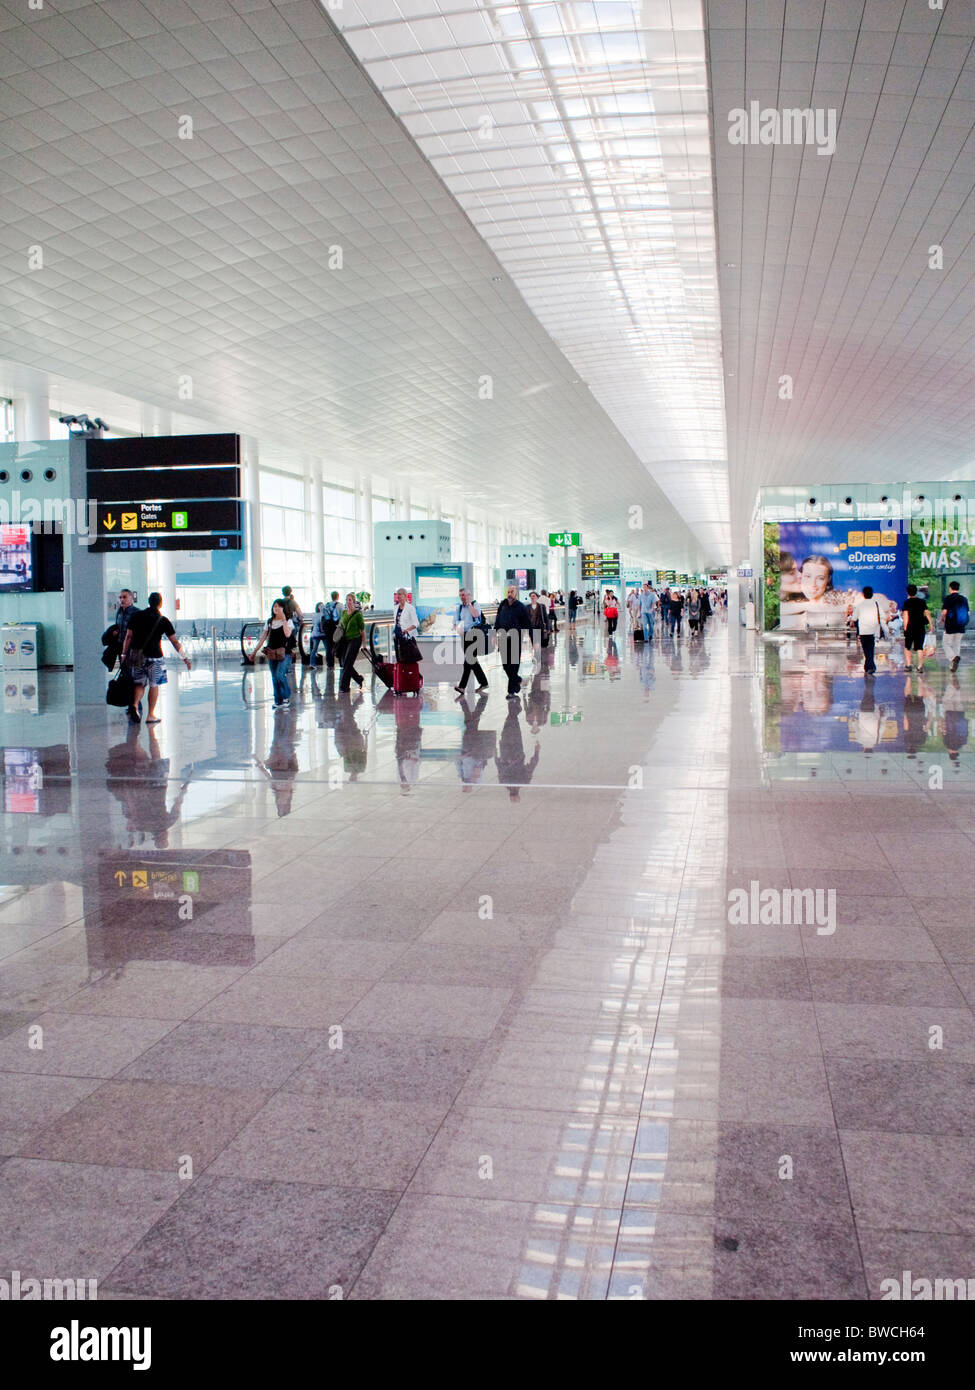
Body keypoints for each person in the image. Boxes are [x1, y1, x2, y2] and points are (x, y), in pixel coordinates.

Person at [121, 592, 191, 725]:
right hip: (155, 656)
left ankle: (135, 705)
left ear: (148, 602)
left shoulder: (136, 616)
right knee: (154, 684)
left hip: (137, 655)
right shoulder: (163, 620)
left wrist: (124, 654)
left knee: (139, 683)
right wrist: (185, 657)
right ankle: (150, 715)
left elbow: (128, 636)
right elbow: (174, 642)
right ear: (160, 603)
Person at [252, 599, 294, 708]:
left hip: (285, 653)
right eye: (274, 606)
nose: (276, 608)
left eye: (279, 606)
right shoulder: (269, 622)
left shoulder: (288, 621)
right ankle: (278, 700)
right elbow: (263, 637)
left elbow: (287, 634)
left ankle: (286, 697)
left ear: (284, 608)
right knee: (274, 677)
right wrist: (254, 651)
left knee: (280, 674)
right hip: (271, 652)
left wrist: (284, 619)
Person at [494, 583, 530, 698]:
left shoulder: (520, 607)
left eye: (512, 592)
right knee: (505, 665)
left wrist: (534, 641)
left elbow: (527, 624)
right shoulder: (503, 604)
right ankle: (517, 679)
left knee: (514, 664)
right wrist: (494, 634)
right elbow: (498, 619)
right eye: (508, 592)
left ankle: (511, 691)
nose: (509, 594)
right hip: (503, 637)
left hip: (515, 637)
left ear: (516, 594)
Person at [454, 588, 489, 694]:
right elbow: (455, 622)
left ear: (469, 595)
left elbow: (476, 615)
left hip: (475, 635)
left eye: (464, 595)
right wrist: (457, 628)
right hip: (464, 636)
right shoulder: (459, 608)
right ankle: (484, 683)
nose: (462, 597)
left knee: (468, 660)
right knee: (472, 661)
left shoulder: (475, 604)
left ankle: (462, 686)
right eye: (460, 595)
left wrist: (469, 604)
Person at [337, 591, 365, 692]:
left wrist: (364, 644)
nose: (348, 602)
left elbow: (362, 630)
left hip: (355, 640)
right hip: (345, 640)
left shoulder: (357, 614)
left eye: (350, 600)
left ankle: (344, 687)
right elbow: (341, 625)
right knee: (345, 662)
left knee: (348, 662)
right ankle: (358, 678)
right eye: (346, 600)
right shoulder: (344, 613)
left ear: (353, 602)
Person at [851, 584, 882, 676]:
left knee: (866, 649)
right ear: (872, 594)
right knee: (871, 648)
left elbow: (854, 618)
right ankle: (869, 666)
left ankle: (870, 666)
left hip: (864, 630)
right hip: (873, 630)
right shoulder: (876, 604)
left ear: (863, 594)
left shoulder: (859, 605)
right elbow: (882, 616)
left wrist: (852, 622)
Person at [902, 583, 933, 672]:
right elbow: (927, 613)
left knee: (907, 646)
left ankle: (908, 665)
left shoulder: (907, 602)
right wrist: (931, 624)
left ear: (907, 592)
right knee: (919, 647)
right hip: (920, 627)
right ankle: (920, 666)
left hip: (910, 627)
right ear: (916, 592)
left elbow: (906, 616)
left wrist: (905, 627)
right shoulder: (922, 601)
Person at [940, 580, 968, 672]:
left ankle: (953, 658)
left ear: (950, 588)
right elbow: (968, 612)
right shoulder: (964, 599)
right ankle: (953, 665)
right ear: (958, 588)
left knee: (945, 643)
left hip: (950, 625)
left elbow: (944, 612)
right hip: (961, 625)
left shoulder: (948, 598)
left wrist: (942, 619)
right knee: (957, 644)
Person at [307, 602, 328, 669]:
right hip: (323, 633)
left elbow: (314, 623)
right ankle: (328, 663)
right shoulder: (323, 614)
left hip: (315, 633)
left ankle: (312, 663)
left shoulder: (314, 615)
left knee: (314, 649)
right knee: (327, 649)